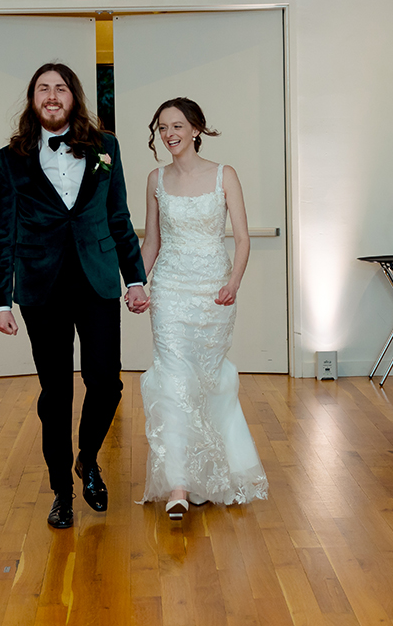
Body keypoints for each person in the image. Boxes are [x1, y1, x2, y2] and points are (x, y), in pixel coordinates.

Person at [0, 62, 149, 530]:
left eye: (60, 88)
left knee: (107, 383)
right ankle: (61, 491)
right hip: (41, 287)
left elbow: (118, 216)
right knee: (55, 393)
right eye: (43, 88)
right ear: (33, 99)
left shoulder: (105, 148)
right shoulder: (12, 157)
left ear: (74, 96)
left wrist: (135, 279)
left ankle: (88, 458)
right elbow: (3, 230)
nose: (52, 96)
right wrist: (0, 300)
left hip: (97, 280)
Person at [137, 97, 268, 521]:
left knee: (206, 382)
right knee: (173, 381)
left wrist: (233, 283)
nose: (169, 134)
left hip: (214, 292)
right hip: (170, 291)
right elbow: (152, 242)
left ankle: (209, 474)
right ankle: (177, 484)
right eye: (162, 128)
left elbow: (243, 239)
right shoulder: (156, 179)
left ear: (195, 129)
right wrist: (136, 284)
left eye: (177, 126)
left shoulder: (224, 175)